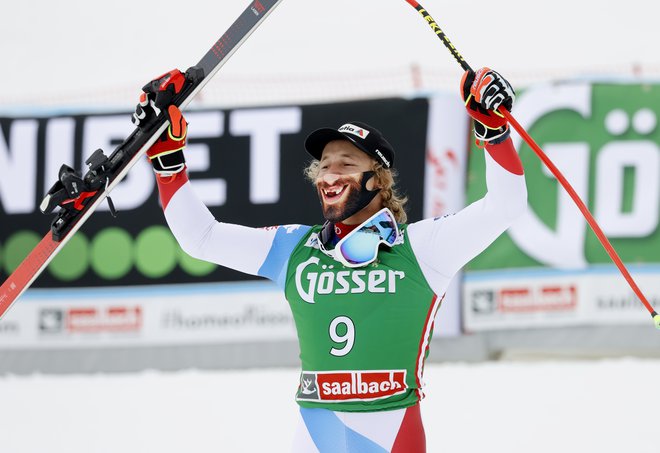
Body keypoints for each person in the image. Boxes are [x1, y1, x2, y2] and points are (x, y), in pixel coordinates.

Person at [133, 67, 527, 452]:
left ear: (379, 179)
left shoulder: (421, 248)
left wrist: (493, 131)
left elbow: (504, 207)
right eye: (324, 166)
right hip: (314, 433)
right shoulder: (295, 248)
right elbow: (201, 238)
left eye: (346, 164)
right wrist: (169, 162)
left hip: (389, 434)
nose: (330, 175)